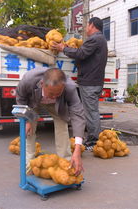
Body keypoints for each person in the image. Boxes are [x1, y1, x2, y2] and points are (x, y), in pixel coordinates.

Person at [16, 68, 85, 175]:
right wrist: (26, 121)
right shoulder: (28, 80)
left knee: (62, 126)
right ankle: (29, 163)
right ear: (42, 84)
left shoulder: (70, 87)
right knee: (29, 131)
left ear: (63, 87)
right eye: (51, 93)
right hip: (33, 102)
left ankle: (66, 162)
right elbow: (20, 99)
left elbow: (78, 115)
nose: (53, 96)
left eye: (58, 93)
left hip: (56, 105)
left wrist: (77, 150)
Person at [51, 17, 108, 149]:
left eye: (87, 25)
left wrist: (62, 48)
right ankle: (92, 138)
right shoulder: (101, 40)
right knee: (90, 111)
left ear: (92, 25)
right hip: (94, 81)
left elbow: (81, 53)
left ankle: (94, 141)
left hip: (90, 82)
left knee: (91, 112)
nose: (86, 28)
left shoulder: (95, 39)